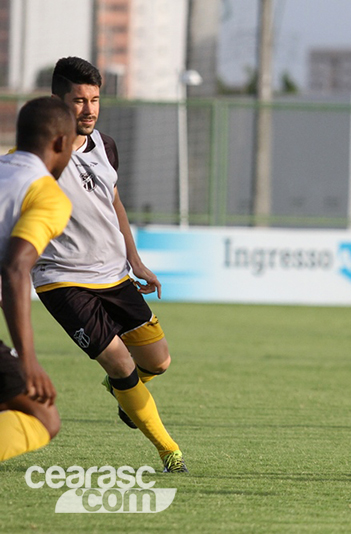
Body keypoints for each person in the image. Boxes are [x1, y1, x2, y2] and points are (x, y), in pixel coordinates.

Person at [33, 56, 187, 472]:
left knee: (158, 361)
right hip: (61, 281)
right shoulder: (36, 154)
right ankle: (169, 451)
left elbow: (113, 200)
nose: (88, 109)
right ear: (57, 101)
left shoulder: (107, 145)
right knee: (120, 363)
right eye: (79, 100)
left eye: (95, 99)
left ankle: (124, 393)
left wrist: (135, 259)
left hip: (114, 275)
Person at [0, 97, 75, 461]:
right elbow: (16, 267)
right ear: (61, 143)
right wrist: (27, 359)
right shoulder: (47, 194)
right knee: (43, 416)